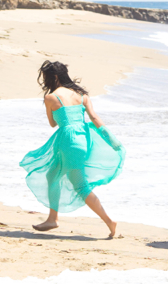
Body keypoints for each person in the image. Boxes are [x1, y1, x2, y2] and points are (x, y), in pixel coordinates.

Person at [20, 60, 124, 238]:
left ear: (53, 77)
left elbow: (53, 124)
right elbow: (94, 117)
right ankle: (52, 218)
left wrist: (59, 113)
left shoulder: (51, 97)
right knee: (52, 175)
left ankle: (109, 221)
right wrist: (112, 140)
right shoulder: (81, 95)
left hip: (68, 141)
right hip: (84, 139)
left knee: (80, 186)